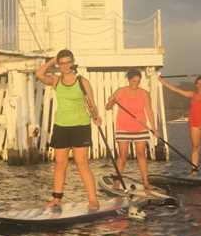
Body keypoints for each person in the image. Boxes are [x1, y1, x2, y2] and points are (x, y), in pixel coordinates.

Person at [36, 49, 102, 209]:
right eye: (62, 63)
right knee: (60, 163)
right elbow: (39, 73)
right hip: (61, 126)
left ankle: (93, 199)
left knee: (82, 163)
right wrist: (53, 60)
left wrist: (96, 116)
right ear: (59, 64)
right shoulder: (56, 81)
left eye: (68, 62)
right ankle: (57, 199)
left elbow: (91, 103)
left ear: (73, 63)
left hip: (80, 126)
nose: (65, 66)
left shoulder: (82, 81)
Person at [158, 74, 201, 178]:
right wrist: (162, 81)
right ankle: (194, 170)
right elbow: (176, 90)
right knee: (195, 147)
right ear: (196, 85)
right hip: (195, 123)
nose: (200, 85)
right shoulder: (192, 94)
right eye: (198, 83)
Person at [105, 69, 156, 190]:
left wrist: (154, 128)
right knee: (122, 156)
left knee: (141, 155)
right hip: (123, 128)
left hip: (140, 128)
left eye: (138, 81)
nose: (136, 84)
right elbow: (108, 107)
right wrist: (112, 101)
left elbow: (149, 111)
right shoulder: (120, 91)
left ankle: (146, 183)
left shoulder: (144, 93)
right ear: (129, 80)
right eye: (133, 81)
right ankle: (117, 183)